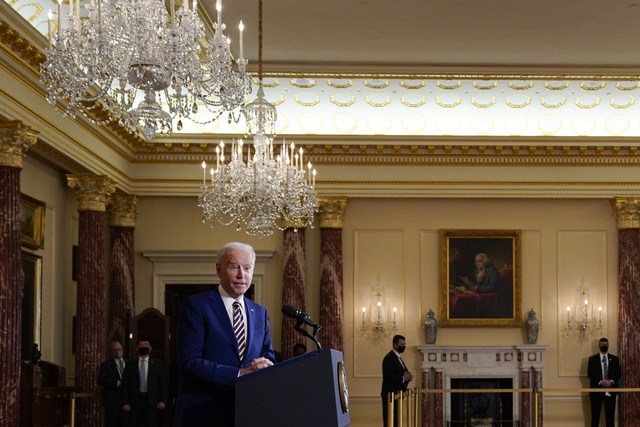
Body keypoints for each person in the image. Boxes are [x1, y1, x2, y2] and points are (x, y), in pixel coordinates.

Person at [173, 242, 276, 427]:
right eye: (234, 267)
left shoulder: (260, 313)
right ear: (219, 270)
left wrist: (266, 366)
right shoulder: (196, 306)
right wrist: (239, 374)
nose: (241, 275)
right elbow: (189, 362)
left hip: (249, 412)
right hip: (204, 413)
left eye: (247, 268)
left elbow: (268, 357)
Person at [122, 339, 167, 426]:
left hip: (152, 402)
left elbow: (162, 383)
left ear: (150, 349)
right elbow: (125, 384)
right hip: (134, 402)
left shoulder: (157, 364)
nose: (144, 347)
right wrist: (125, 402)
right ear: (137, 348)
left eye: (146, 345)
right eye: (141, 345)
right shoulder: (130, 364)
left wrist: (162, 400)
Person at [381, 334, 413, 427]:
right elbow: (387, 377)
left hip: (398, 394)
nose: (404, 347)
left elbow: (402, 372)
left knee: (396, 420)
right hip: (390, 395)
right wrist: (403, 378)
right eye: (402, 344)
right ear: (395, 344)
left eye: (405, 344)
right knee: (390, 421)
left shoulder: (398, 358)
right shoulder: (389, 358)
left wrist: (408, 377)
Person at [587, 337, 621, 427]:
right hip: (596, 392)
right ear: (599, 345)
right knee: (595, 417)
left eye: (606, 345)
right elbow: (590, 374)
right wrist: (600, 382)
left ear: (608, 345)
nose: (604, 346)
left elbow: (618, 373)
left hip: (610, 392)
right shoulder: (592, 359)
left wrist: (611, 382)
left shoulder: (614, 359)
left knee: (610, 417)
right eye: (602, 345)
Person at [98, 340, 127, 427]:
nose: (117, 352)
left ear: (122, 349)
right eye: (115, 350)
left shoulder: (129, 363)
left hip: (126, 401)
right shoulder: (106, 365)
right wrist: (117, 383)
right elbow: (101, 380)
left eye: (119, 349)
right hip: (112, 402)